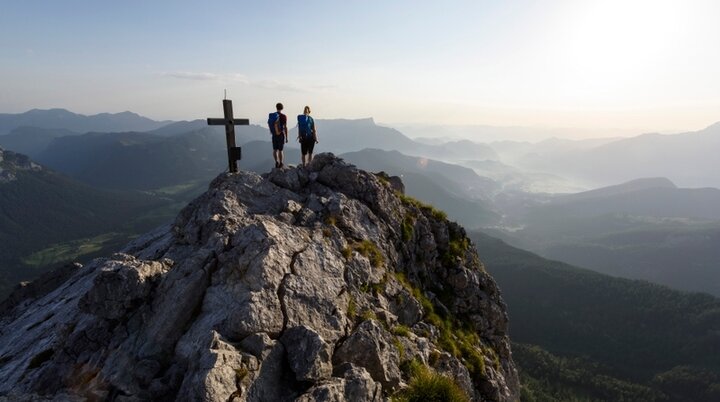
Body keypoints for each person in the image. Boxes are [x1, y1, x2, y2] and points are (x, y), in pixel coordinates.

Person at [268, 102, 288, 168]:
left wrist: (272, 131)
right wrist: (287, 137)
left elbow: (269, 124)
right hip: (281, 134)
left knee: (275, 149)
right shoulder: (283, 116)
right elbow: (285, 127)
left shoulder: (272, 116)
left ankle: (276, 161)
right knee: (280, 150)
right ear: (282, 108)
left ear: (276, 108)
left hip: (274, 134)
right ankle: (281, 163)